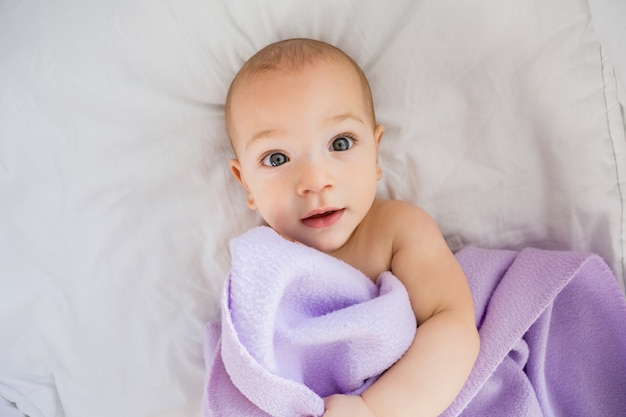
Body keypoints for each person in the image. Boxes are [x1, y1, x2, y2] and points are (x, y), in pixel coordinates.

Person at [225, 38, 480, 417]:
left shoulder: (396, 229)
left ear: (376, 155)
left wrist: (373, 409)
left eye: (340, 143)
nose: (315, 180)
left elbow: (453, 325)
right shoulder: (261, 267)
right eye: (277, 158)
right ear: (245, 183)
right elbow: (251, 365)